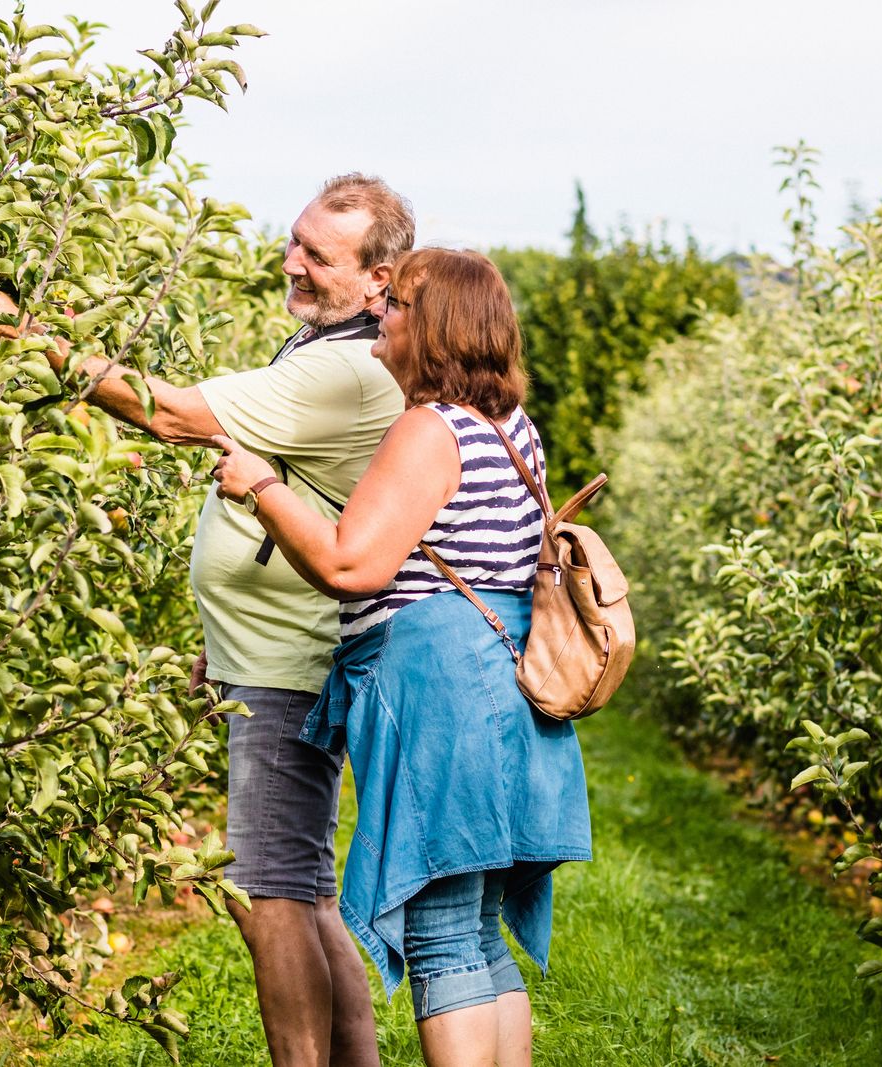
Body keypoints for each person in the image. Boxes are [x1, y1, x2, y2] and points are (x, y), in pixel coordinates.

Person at [0, 175, 414, 1067]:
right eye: (295, 242)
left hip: (291, 661)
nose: (294, 264)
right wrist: (221, 631)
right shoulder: (332, 344)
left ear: (380, 280)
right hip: (273, 649)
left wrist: (20, 333)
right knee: (305, 888)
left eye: (319, 255)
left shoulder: (345, 369)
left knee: (267, 893)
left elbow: (173, 414)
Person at [209, 248, 592, 1067]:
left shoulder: (430, 428)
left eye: (401, 305)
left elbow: (354, 564)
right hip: (504, 689)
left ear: (438, 327)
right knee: (477, 930)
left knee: (441, 935)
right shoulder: (511, 428)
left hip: (445, 697)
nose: (383, 313)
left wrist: (261, 486)